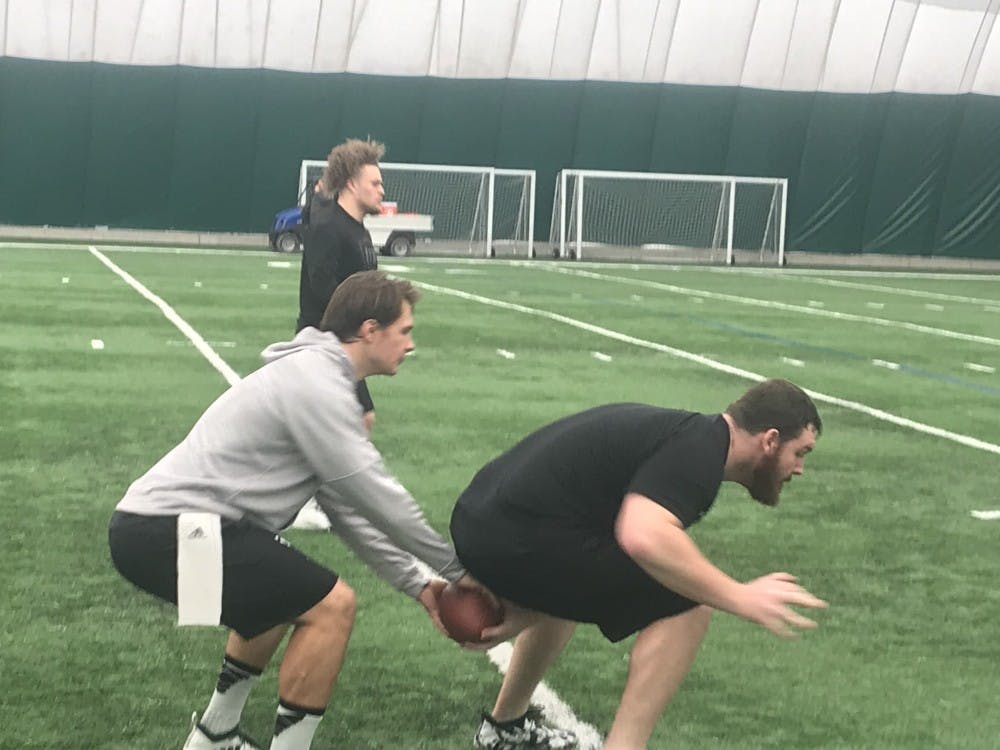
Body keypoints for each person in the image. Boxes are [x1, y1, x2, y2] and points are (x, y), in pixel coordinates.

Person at [109, 271, 470, 750]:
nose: (411, 344)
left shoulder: (318, 377)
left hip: (162, 528)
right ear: (369, 330)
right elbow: (376, 493)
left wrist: (420, 584)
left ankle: (214, 737)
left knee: (281, 591)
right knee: (332, 607)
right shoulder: (316, 385)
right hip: (168, 531)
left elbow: (349, 512)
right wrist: (458, 570)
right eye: (404, 331)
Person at [448, 379, 828, 750]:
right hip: (514, 535)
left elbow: (608, 542)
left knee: (608, 563)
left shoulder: (693, 436)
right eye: (801, 453)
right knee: (688, 604)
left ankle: (505, 728)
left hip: (487, 519)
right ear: (770, 440)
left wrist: (530, 612)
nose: (799, 469)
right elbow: (642, 535)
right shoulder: (699, 454)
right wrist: (740, 596)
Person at [291, 138, 386, 531]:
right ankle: (305, 499)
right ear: (351, 184)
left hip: (346, 343)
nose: (382, 190)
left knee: (358, 419)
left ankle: (328, 498)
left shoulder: (356, 228)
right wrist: (355, 328)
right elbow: (321, 287)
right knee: (354, 419)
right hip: (324, 341)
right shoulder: (330, 228)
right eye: (375, 182)